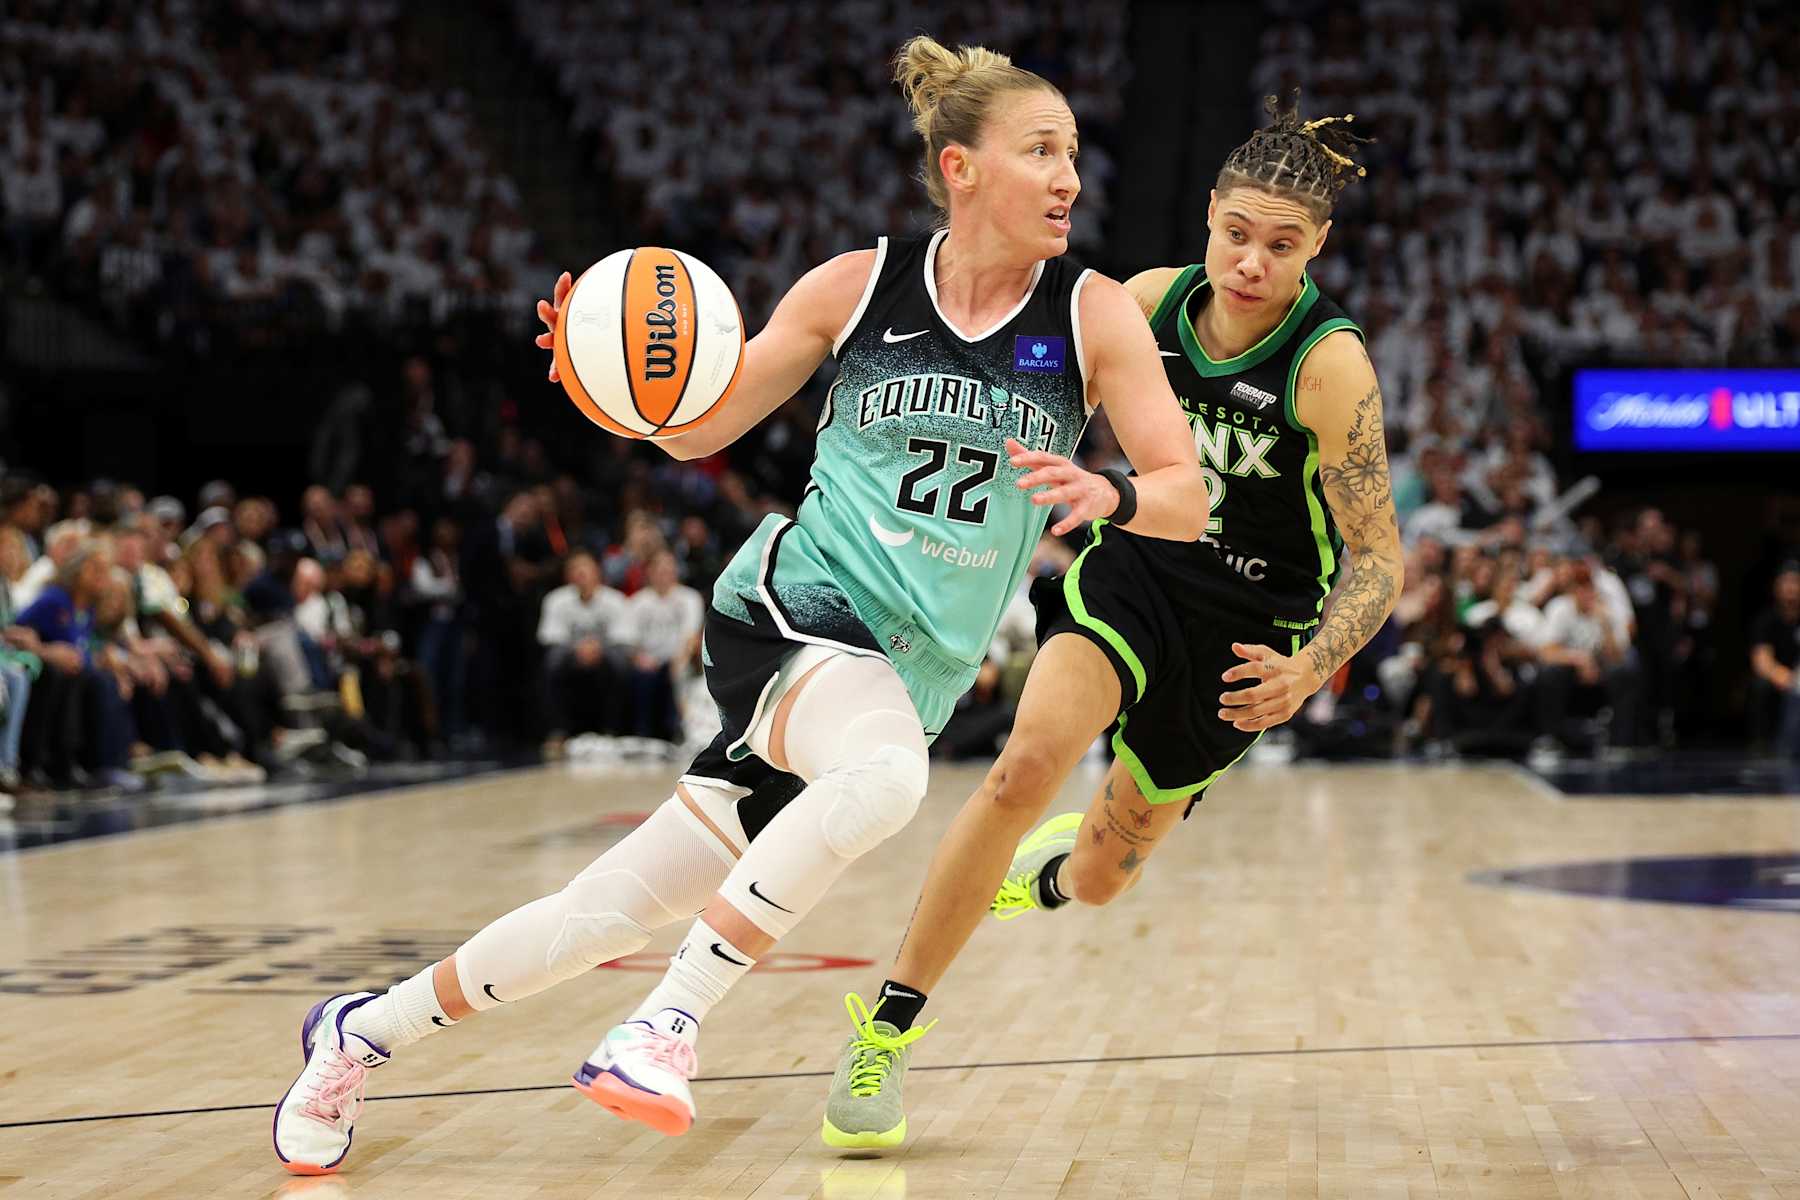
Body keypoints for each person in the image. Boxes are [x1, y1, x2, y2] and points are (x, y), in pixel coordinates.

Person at [271, 35, 1207, 1175]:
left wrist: (1106, 488)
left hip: (900, 676)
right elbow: (700, 427)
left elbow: (1185, 496)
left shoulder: (1092, 315)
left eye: (1073, 154)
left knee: (598, 916)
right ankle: (668, 1025)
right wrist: (610, 388)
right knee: (890, 780)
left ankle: (356, 1034)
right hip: (794, 611)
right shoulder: (855, 288)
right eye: (1041, 151)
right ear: (960, 167)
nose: (1070, 177)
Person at [816, 93, 1405, 1150]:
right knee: (1021, 766)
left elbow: (1381, 557)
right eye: (1237, 234)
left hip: (1250, 631)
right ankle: (886, 1034)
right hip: (1137, 573)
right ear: (1210, 214)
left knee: (1096, 883)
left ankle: (1048, 878)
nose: (1252, 263)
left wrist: (1309, 670)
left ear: (1317, 245)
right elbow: (1023, 394)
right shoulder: (1138, 304)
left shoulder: (1329, 367)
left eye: (1282, 246)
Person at [1749, 564, 1800, 756]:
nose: (1791, 587)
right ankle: (1761, 742)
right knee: (1760, 685)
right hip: (1780, 677)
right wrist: (1787, 679)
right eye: (1786, 582)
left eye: (1795, 582)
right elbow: (1761, 662)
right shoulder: (1766, 620)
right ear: (1776, 586)